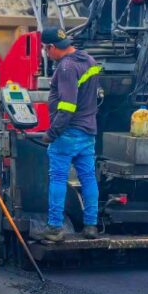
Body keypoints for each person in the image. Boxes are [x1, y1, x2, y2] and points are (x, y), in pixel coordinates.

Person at [33, 27, 101, 243]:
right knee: (88, 177)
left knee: (58, 178)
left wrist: (51, 133)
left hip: (68, 132)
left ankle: (54, 228)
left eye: (46, 49)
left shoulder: (66, 67)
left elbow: (67, 106)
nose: (47, 54)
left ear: (51, 47)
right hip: (88, 130)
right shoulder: (89, 60)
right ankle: (91, 225)